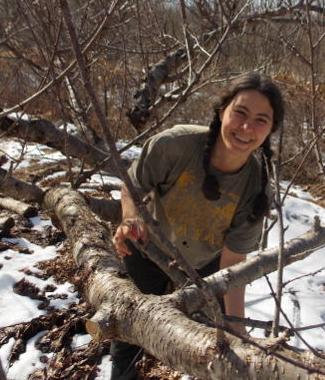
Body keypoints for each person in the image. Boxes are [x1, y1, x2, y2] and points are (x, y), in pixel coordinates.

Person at [110, 72, 284, 380]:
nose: (246, 127)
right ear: (221, 112)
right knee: (128, 332)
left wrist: (235, 325)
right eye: (240, 113)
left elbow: (233, 262)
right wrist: (128, 218)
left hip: (205, 267)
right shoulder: (176, 145)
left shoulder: (256, 188)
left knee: (204, 346)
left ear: (270, 129)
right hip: (147, 248)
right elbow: (133, 184)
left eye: (261, 120)